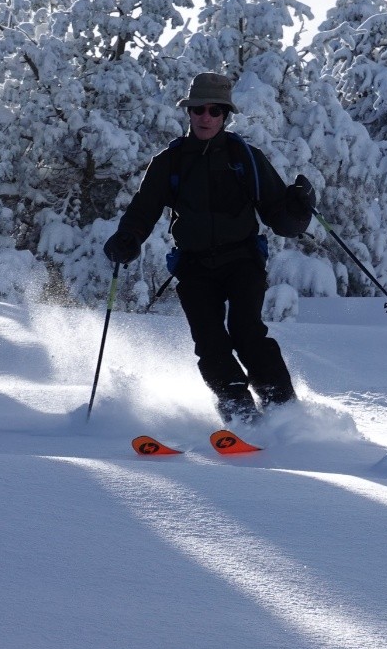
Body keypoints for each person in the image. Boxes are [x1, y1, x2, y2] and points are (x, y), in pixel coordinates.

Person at [103, 72, 315, 424]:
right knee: (210, 343)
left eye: (214, 111)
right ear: (188, 112)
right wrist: (128, 238)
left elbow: (279, 217)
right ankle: (239, 411)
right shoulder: (170, 161)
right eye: (198, 109)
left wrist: (298, 208)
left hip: (243, 259)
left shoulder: (245, 156)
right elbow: (144, 208)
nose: (206, 117)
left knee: (247, 333)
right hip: (195, 266)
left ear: (225, 115)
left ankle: (284, 411)